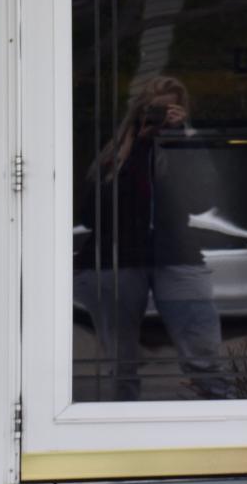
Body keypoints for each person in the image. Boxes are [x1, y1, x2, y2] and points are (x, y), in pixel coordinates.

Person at [74, 76, 234, 402]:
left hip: (175, 256)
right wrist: (137, 149)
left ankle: (218, 410)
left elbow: (200, 200)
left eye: (168, 110)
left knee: (202, 348)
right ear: (138, 110)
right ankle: (122, 423)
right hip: (114, 259)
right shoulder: (113, 151)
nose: (160, 117)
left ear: (181, 111)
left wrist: (179, 140)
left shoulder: (184, 143)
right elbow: (89, 213)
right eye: (153, 109)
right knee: (120, 361)